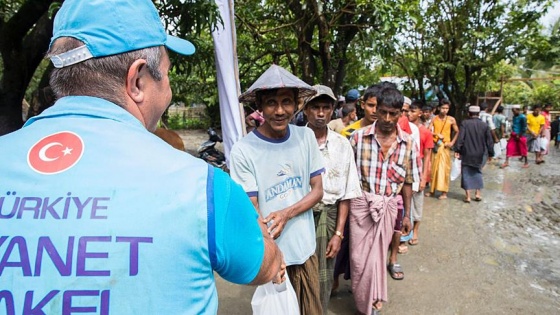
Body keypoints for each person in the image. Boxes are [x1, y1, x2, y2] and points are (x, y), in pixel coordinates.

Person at [0, 1, 283, 313]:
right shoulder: (201, 187)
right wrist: (256, 224)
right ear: (137, 81)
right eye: (167, 75)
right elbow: (265, 266)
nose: (170, 89)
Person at [229, 64, 325, 315]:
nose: (280, 110)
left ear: (296, 105)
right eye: (271, 102)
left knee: (312, 309)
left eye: (286, 102)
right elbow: (253, 209)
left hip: (305, 249)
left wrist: (286, 213)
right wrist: (270, 254)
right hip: (274, 255)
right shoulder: (244, 150)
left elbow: (317, 191)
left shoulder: (305, 138)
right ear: (260, 106)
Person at [349, 87, 421, 314]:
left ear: (402, 113)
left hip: (389, 206)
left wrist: (407, 214)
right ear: (376, 111)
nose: (387, 119)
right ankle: (364, 297)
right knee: (358, 259)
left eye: (393, 113)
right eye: (383, 112)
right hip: (361, 206)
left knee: (379, 255)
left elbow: (408, 182)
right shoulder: (357, 138)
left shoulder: (408, 142)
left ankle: (372, 300)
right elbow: (347, 178)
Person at [303, 84, 361, 313]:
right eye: (315, 107)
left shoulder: (342, 145)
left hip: (329, 215)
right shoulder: (294, 141)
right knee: (297, 272)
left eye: (325, 107)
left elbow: (346, 193)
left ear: (332, 110)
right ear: (305, 109)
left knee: (323, 276)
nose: (320, 113)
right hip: (300, 216)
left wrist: (338, 233)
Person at [454, 106, 495, 202]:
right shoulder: (484, 125)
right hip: (480, 153)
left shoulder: (465, 123)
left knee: (466, 172)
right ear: (479, 114)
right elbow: (489, 141)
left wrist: (457, 150)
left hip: (466, 152)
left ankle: (468, 196)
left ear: (469, 113)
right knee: (477, 172)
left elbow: (461, 138)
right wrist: (491, 153)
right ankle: (478, 194)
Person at [407, 100, 434, 245]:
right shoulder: (404, 128)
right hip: (406, 170)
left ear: (420, 113)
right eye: (408, 111)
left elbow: (427, 156)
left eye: (413, 111)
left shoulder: (425, 132)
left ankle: (415, 231)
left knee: (417, 203)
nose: (409, 114)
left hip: (418, 170)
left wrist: (424, 177)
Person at [426, 99, 459, 200]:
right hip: (436, 146)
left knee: (444, 169)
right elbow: (428, 131)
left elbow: (457, 131)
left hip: (445, 147)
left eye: (447, 108)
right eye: (443, 108)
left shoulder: (451, 119)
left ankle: (444, 192)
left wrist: (452, 143)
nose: (445, 110)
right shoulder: (434, 119)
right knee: (433, 168)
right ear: (439, 108)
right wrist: (436, 134)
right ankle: (432, 190)